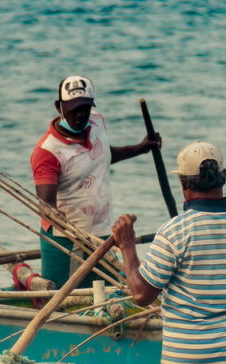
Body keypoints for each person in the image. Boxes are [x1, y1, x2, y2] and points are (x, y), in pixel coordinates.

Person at [111, 141, 226, 364]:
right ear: (223, 178)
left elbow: (141, 296)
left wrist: (127, 246)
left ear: (184, 185)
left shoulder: (173, 233)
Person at [31, 75, 160, 288]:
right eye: (73, 108)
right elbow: (46, 206)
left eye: (85, 107)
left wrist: (140, 148)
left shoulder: (97, 121)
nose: (81, 114)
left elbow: (102, 157)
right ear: (59, 107)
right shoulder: (47, 152)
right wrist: (54, 215)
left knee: (108, 295)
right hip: (68, 241)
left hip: (102, 233)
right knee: (68, 301)